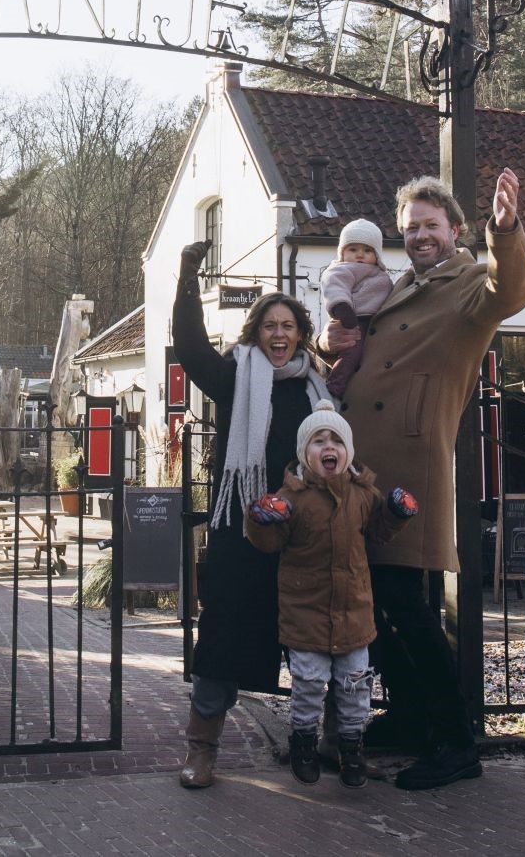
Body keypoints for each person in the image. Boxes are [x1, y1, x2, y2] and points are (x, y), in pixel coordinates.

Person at [320, 170, 525, 791]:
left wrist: (507, 229)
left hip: (411, 466)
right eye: (410, 228)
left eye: (430, 226)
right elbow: (362, 352)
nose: (419, 236)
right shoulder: (395, 285)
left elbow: (510, 290)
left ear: (455, 231)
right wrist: (332, 342)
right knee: (378, 608)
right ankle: (411, 716)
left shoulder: (470, 282)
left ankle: (456, 740)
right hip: (362, 466)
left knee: (410, 608)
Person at [171, 239, 331, 790]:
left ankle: (325, 738)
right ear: (255, 333)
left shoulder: (318, 390)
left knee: (316, 634)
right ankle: (202, 748)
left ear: (301, 334)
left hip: (302, 532)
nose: (280, 334)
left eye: (289, 326)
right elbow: (189, 348)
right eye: (270, 326)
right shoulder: (236, 378)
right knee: (222, 633)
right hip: (240, 529)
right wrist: (187, 277)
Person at [244, 400, 418, 788]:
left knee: (356, 684)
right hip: (305, 611)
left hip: (354, 610)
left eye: (336, 441)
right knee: (308, 683)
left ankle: (352, 746)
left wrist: (394, 513)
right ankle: (304, 740)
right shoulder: (293, 498)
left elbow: (378, 531)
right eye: (319, 441)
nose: (329, 447)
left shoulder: (362, 494)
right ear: (305, 453)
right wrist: (260, 519)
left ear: (347, 452)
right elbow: (268, 542)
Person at [320, 218, 395, 399]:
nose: (360, 255)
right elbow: (335, 287)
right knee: (351, 354)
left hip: (378, 323)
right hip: (354, 321)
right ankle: (335, 385)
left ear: (377, 255)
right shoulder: (342, 269)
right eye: (353, 249)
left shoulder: (381, 274)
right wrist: (342, 308)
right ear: (343, 253)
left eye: (368, 250)